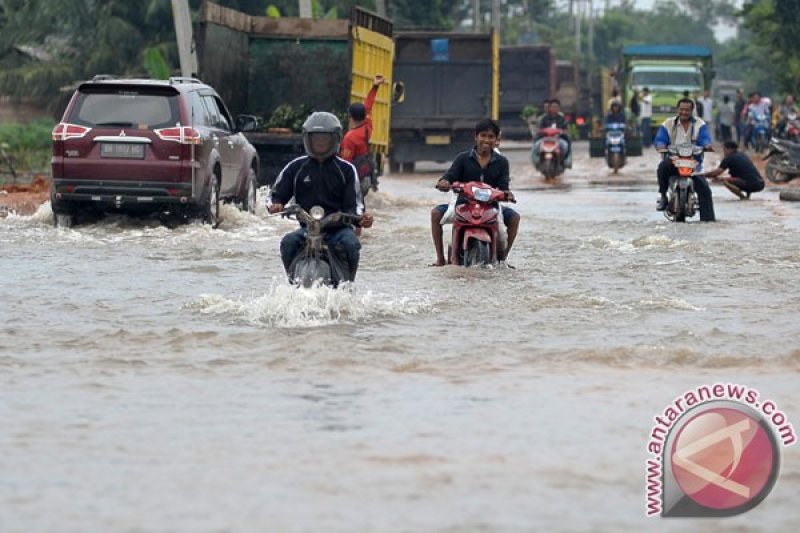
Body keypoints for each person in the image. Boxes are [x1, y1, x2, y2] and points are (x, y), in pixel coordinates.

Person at [269, 112, 373, 282]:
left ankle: (348, 285)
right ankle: (291, 283)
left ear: (335, 139)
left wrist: (360, 218)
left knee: (351, 244)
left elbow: (355, 204)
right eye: (315, 138)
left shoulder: (346, 169)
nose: (320, 142)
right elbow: (275, 195)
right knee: (287, 243)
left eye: (324, 138)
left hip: (338, 230)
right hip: (307, 229)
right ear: (307, 139)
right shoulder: (296, 167)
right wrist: (276, 204)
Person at [430, 119, 519, 266]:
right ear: (476, 137)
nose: (486, 140)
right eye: (483, 135)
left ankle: (502, 260)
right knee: (435, 214)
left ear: (496, 140)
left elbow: (503, 186)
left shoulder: (502, 162)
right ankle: (440, 258)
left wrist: (506, 194)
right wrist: (444, 182)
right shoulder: (462, 158)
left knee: (514, 218)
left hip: (491, 207)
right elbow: (450, 176)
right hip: (463, 204)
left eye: (491, 137)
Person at [654, 97, 716, 221]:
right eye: (681, 109)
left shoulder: (700, 124)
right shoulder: (668, 123)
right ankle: (663, 196)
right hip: (673, 161)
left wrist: (706, 145)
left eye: (687, 110)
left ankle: (708, 220)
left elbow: (704, 138)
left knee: (705, 191)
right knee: (662, 167)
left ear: (692, 110)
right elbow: (660, 138)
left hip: (694, 164)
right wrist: (661, 145)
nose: (684, 112)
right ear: (677, 109)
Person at [340, 74, 384, 178]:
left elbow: (346, 163)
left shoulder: (350, 138)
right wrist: (375, 87)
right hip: (364, 171)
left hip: (355, 176)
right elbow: (368, 105)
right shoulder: (367, 127)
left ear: (351, 117)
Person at [534, 98, 572, 168]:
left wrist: (562, 132)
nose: (554, 108)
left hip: (558, 139)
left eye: (556, 107)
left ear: (559, 108)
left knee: (566, 145)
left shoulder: (562, 118)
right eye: (553, 107)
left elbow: (566, 129)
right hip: (545, 139)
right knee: (536, 145)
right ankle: (536, 160)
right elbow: (540, 129)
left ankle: (566, 160)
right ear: (550, 108)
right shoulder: (544, 118)